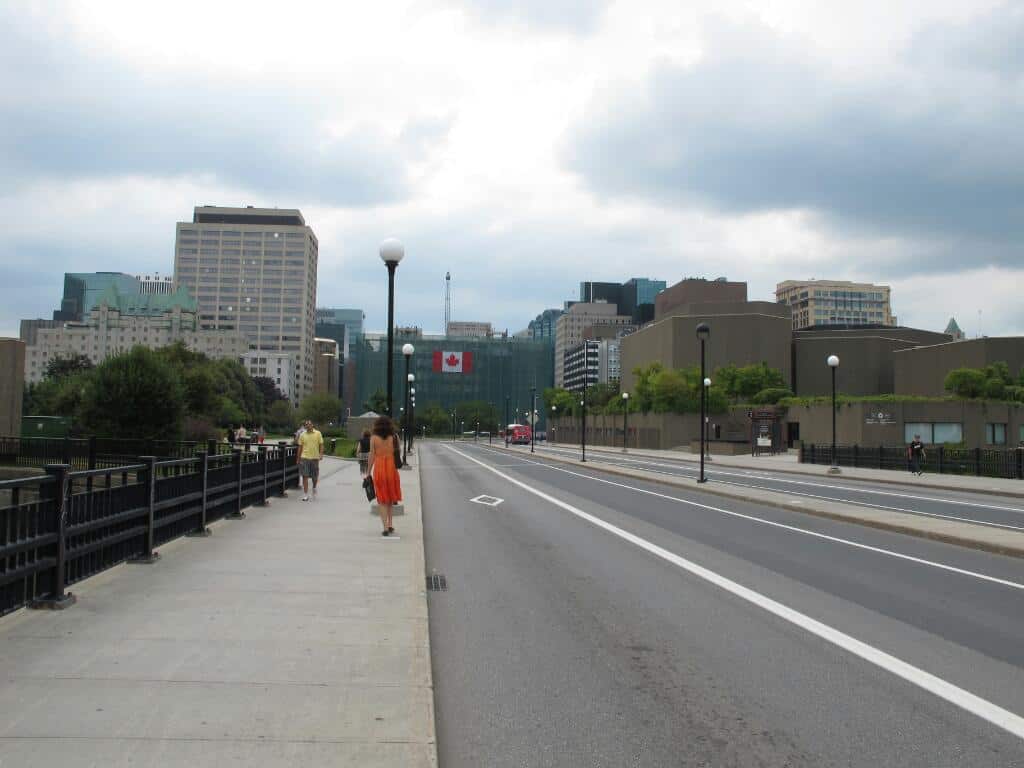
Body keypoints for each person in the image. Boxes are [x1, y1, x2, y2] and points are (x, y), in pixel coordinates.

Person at [366, 416, 402, 536]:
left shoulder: (374, 438)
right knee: (391, 498)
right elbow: (398, 452)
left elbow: (371, 455)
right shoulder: (395, 437)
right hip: (392, 469)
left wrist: (368, 472)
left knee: (382, 499)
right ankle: (391, 524)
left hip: (380, 468)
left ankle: (385, 527)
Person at [296, 419, 324, 501]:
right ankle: (305, 494)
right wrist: (298, 458)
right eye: (306, 425)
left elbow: (321, 445)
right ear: (305, 426)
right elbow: (300, 447)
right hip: (304, 458)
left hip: (315, 458)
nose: (308, 426)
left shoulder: (318, 433)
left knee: (314, 477)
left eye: (309, 424)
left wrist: (321, 454)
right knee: (305, 476)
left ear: (312, 425)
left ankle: (314, 487)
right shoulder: (302, 435)